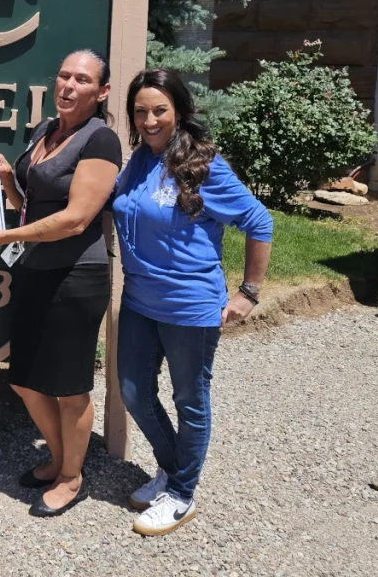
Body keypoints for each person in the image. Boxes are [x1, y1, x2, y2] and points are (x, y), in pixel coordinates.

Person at [113, 68, 272, 537]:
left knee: (190, 400)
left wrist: (248, 292)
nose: (149, 120)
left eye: (159, 110)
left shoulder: (204, 164)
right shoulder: (140, 159)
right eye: (140, 111)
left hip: (189, 305)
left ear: (178, 111)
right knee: (133, 390)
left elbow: (258, 221)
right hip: (140, 299)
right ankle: (171, 469)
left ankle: (182, 495)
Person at [0, 50, 122, 517]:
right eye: (64, 75)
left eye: (82, 79)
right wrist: (10, 180)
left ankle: (73, 477)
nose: (69, 85)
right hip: (34, 268)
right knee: (26, 379)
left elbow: (75, 220)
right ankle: (57, 459)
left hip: (77, 274)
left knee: (70, 386)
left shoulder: (101, 141)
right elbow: (34, 205)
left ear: (102, 91)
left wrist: (6, 236)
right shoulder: (45, 132)